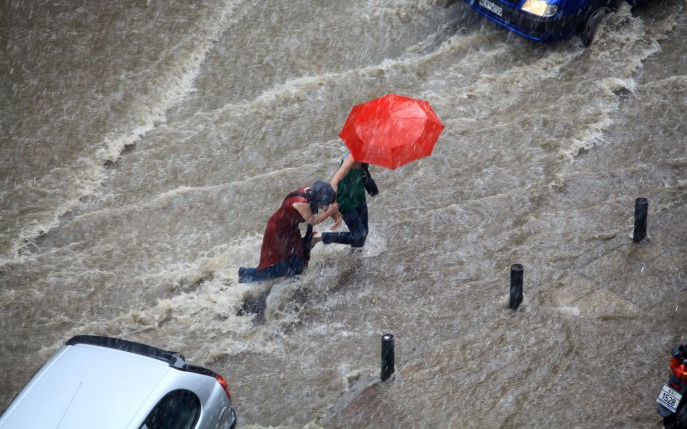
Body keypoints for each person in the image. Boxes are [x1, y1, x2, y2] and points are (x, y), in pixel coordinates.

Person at [238, 180, 339, 283]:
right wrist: (330, 212)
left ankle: (293, 276)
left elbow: (328, 203)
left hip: (289, 228)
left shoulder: (311, 191)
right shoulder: (301, 203)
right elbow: (313, 220)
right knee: (287, 264)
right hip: (278, 232)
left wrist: (336, 216)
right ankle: (247, 275)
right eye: (323, 204)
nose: (325, 207)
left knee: (297, 259)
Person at [316, 152, 370, 249]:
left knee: (364, 233)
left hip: (359, 197)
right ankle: (319, 236)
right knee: (359, 236)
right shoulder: (351, 158)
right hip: (345, 202)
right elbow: (334, 182)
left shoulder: (367, 154)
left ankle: (354, 261)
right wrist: (333, 209)